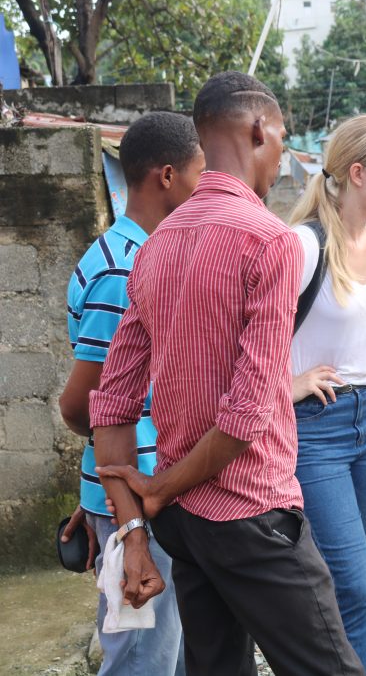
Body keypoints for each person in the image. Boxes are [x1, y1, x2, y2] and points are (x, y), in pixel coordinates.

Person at [89, 71, 364, 676]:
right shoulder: (271, 240)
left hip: (184, 527)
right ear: (260, 129)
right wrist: (158, 490)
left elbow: (109, 407)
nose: (283, 154)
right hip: (250, 511)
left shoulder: (155, 247)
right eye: (283, 136)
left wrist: (137, 529)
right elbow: (247, 416)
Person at [59, 111, 202, 675]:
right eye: (200, 173)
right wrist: (114, 494)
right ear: (167, 176)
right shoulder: (125, 270)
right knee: (142, 660)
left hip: (142, 488)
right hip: (136, 496)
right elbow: (85, 405)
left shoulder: (140, 254)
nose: (206, 188)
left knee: (168, 649)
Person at [287, 114, 366, 676]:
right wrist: (288, 384)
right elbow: (245, 335)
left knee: (343, 580)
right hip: (314, 427)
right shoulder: (302, 244)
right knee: (353, 587)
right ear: (359, 173)